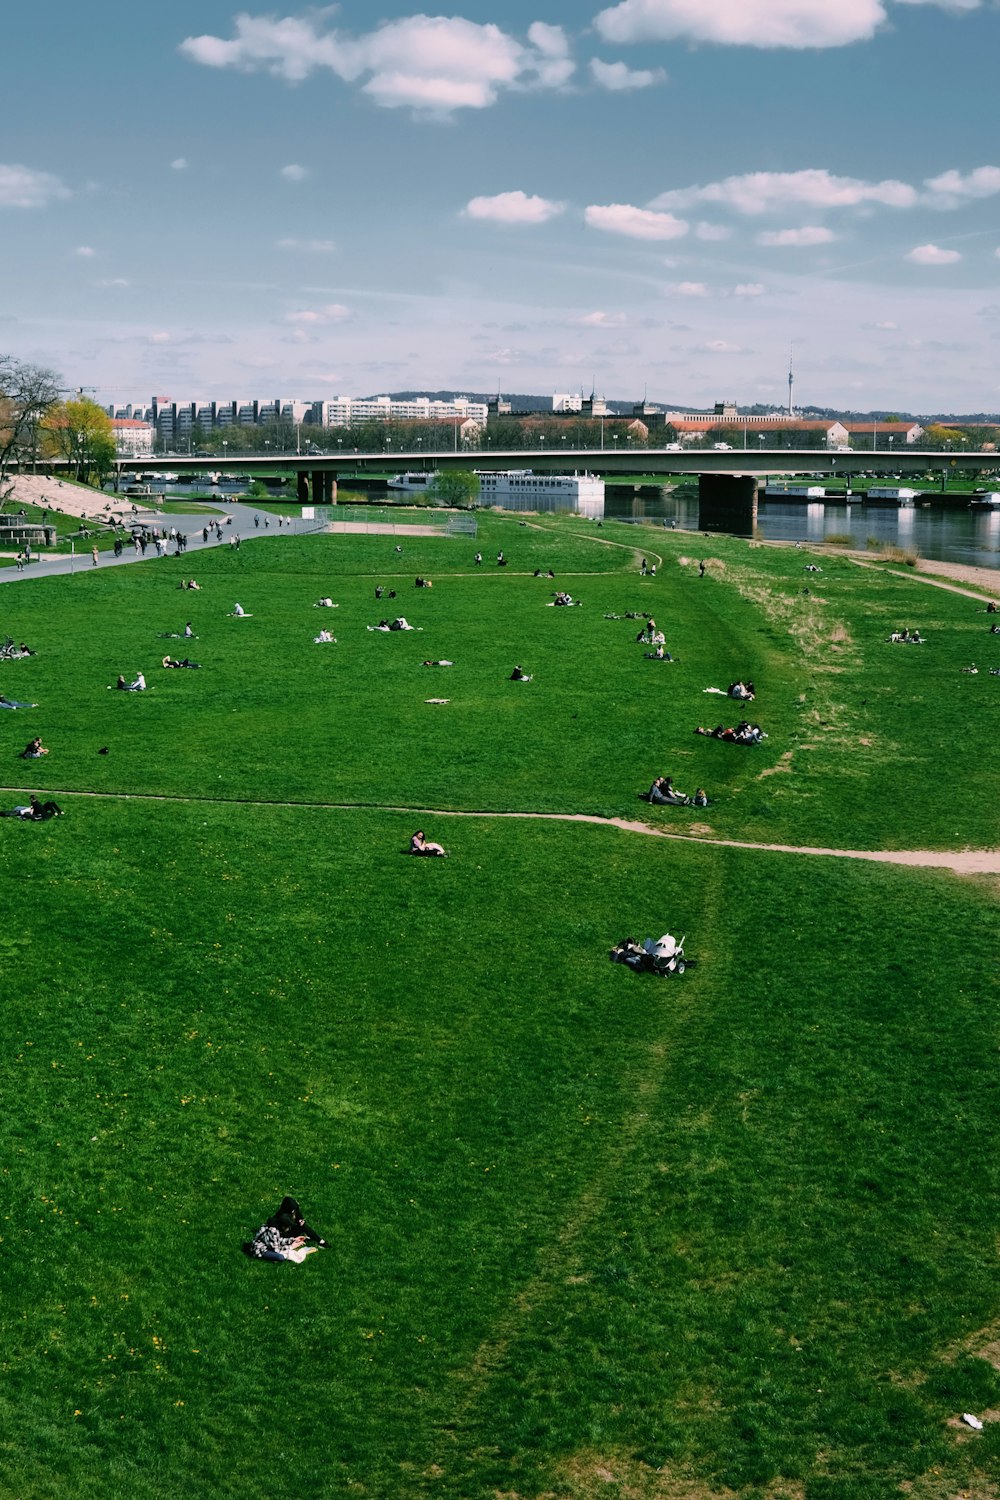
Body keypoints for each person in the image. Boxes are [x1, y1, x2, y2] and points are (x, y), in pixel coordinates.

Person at [242, 1196, 328, 1262]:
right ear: (284, 1226)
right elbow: (277, 1250)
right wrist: (292, 1246)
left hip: (272, 1242)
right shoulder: (274, 1231)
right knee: (281, 1257)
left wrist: (293, 1239)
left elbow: (280, 1240)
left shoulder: (279, 1226)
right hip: (260, 1249)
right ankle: (262, 1255)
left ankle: (320, 1241)